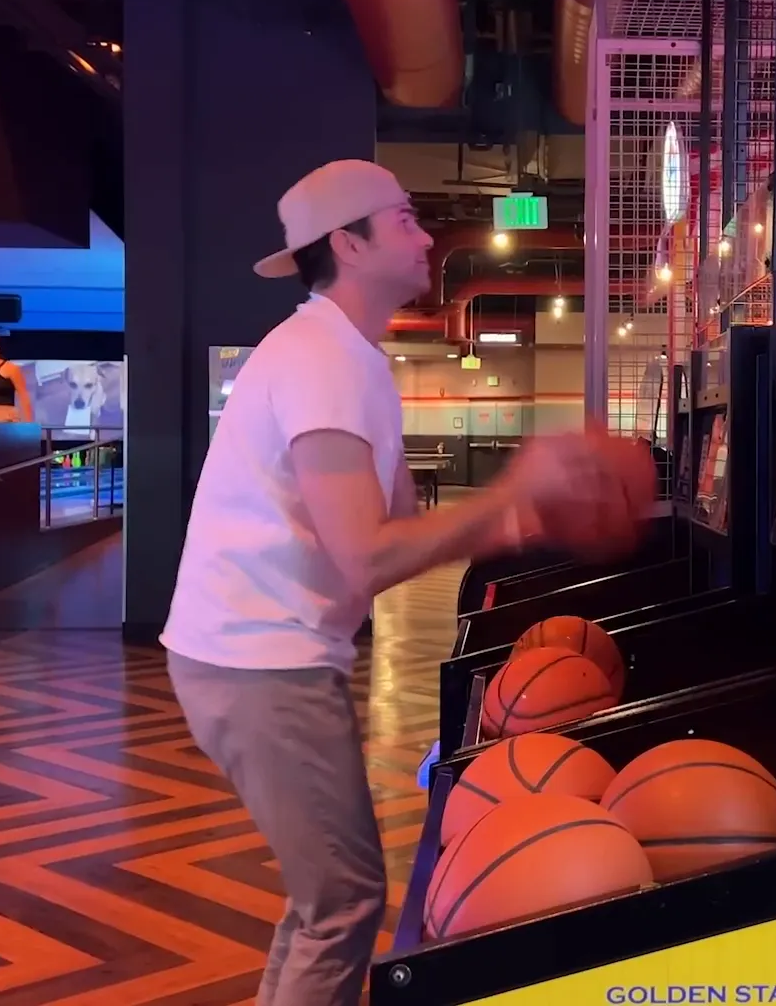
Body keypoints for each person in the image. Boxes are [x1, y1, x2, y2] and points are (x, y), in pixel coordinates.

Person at [161, 159, 639, 1006]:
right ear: (349, 242)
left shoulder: (348, 359)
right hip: (255, 664)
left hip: (261, 657)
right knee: (342, 900)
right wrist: (513, 489)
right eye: (408, 221)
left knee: (326, 899)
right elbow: (368, 559)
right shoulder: (320, 360)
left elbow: (402, 532)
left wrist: (523, 520)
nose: (429, 237)